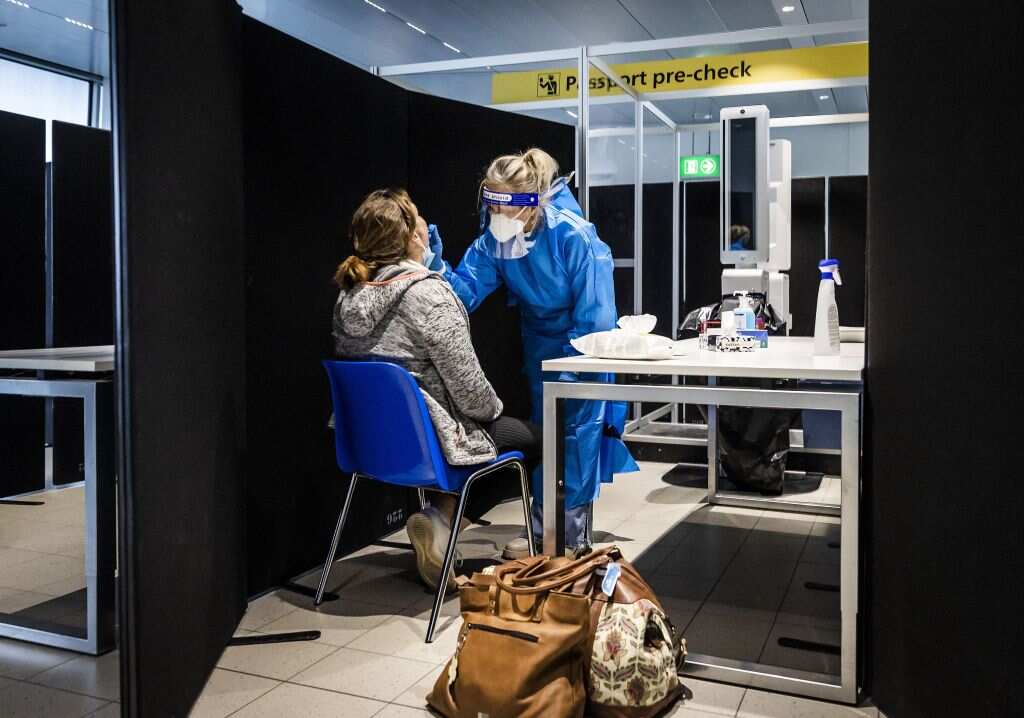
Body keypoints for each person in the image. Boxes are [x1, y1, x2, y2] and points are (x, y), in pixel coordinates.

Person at [425, 148, 638, 555]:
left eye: (503, 208)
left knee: (577, 442)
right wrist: (435, 267)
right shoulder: (496, 241)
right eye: (490, 207)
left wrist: (574, 370)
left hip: (582, 351)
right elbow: (462, 295)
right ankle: (544, 535)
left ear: (529, 205)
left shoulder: (573, 237)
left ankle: (570, 543)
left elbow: (596, 317)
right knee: (547, 442)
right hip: (540, 350)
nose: (495, 219)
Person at [332, 188, 541, 591]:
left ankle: (441, 526)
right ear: (412, 237)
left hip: (370, 448)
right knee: (541, 440)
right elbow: (474, 397)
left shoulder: (348, 296)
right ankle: (442, 522)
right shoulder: (428, 294)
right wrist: (493, 409)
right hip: (434, 443)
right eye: (419, 218)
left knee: (490, 439)